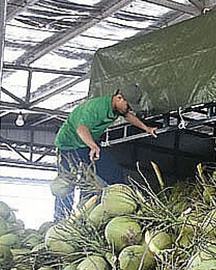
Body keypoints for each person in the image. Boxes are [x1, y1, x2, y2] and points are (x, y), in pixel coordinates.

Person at [53, 84, 157, 219]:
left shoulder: (117, 108)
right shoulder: (95, 108)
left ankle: (118, 207)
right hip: (68, 145)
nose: (129, 109)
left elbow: (128, 116)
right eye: (128, 106)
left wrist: (146, 128)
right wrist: (93, 146)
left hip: (86, 143)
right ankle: (61, 220)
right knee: (66, 185)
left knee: (113, 173)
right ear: (119, 97)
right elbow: (81, 129)